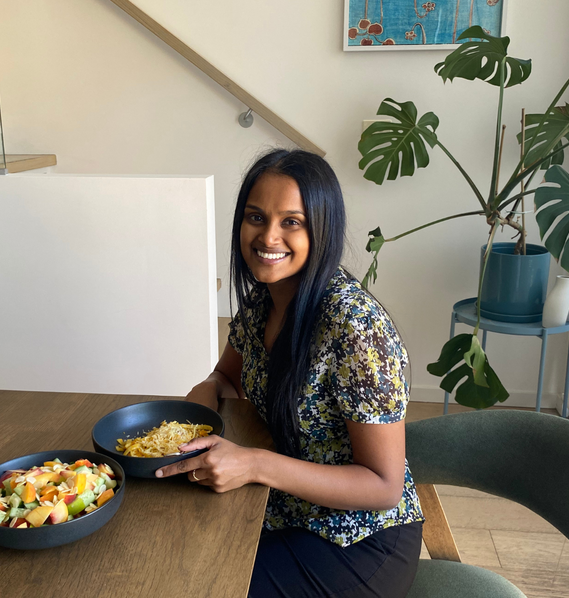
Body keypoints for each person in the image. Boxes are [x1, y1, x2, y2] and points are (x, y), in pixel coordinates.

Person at [155, 149, 424, 597]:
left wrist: (255, 463)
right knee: (166, 555)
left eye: (291, 222)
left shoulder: (357, 330)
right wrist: (198, 401)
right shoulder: (263, 301)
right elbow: (224, 378)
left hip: (358, 540)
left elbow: (383, 486)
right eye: (255, 217)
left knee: (196, 584)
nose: (268, 236)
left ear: (322, 229)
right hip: (285, 507)